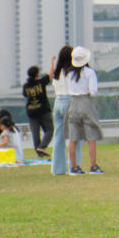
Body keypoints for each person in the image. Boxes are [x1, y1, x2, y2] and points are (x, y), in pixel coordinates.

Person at [65, 46, 104, 174]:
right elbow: (93, 91)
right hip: (85, 102)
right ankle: (93, 166)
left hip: (73, 103)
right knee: (91, 136)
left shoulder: (68, 73)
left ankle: (74, 167)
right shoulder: (89, 72)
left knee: (73, 138)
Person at [49, 45, 78, 175]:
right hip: (69, 101)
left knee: (58, 137)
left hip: (57, 102)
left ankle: (57, 169)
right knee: (74, 136)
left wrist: (52, 62)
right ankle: (74, 166)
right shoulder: (71, 72)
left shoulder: (57, 72)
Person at [22, 65, 53, 159]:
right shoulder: (41, 82)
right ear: (37, 74)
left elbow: (25, 95)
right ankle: (42, 147)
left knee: (35, 132)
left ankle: (39, 152)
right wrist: (52, 61)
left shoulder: (26, 86)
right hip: (43, 110)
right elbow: (51, 73)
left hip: (31, 111)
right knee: (49, 130)